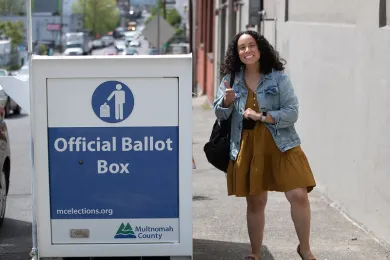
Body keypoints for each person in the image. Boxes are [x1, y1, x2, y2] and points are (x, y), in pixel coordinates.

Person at [213, 30, 317, 260]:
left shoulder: (278, 78)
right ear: (237, 53)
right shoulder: (231, 79)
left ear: (260, 49)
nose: (247, 51)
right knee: (256, 201)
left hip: (281, 143)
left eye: (251, 45)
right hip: (248, 146)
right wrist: (226, 102)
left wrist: (263, 116)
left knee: (299, 195)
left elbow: (292, 112)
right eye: (242, 47)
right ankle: (255, 253)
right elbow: (220, 114)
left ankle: (305, 248)